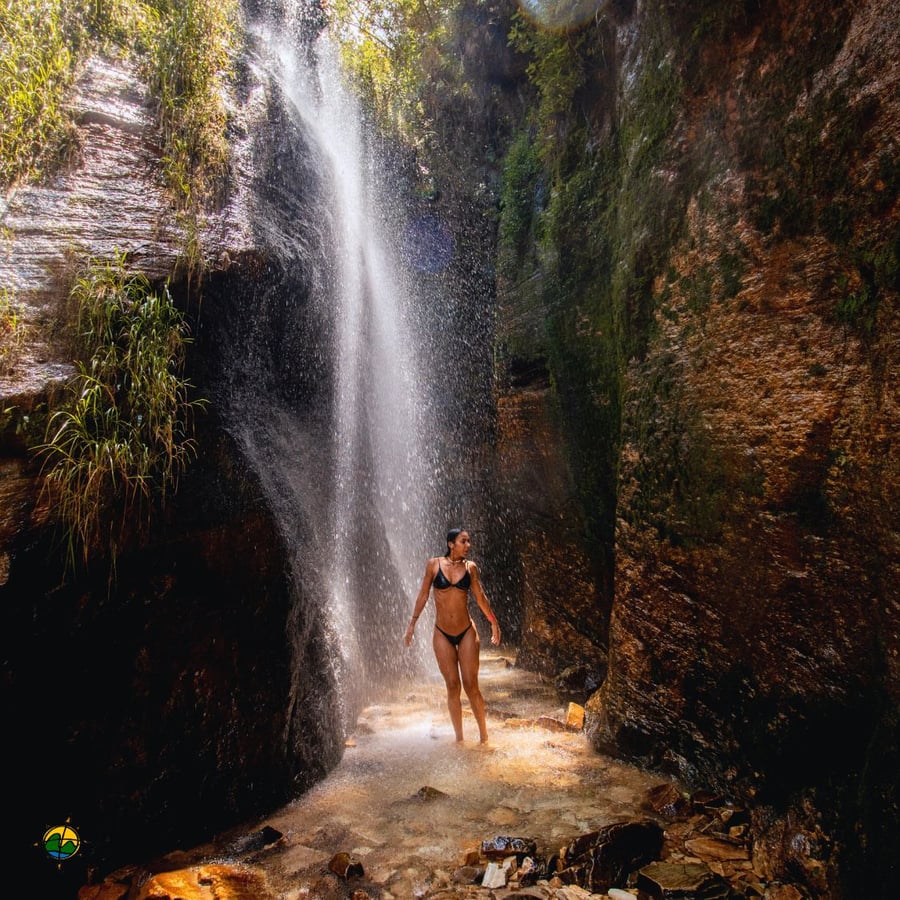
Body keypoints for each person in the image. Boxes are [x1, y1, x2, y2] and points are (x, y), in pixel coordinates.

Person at [404, 528, 501, 743]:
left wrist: (493, 622)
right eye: (463, 541)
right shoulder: (434, 565)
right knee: (453, 686)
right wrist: (412, 624)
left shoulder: (470, 568)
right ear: (451, 544)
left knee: (471, 685)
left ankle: (484, 737)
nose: (468, 545)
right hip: (442, 633)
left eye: (469, 541)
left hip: (466, 631)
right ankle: (460, 739)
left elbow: (480, 597)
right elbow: (422, 595)